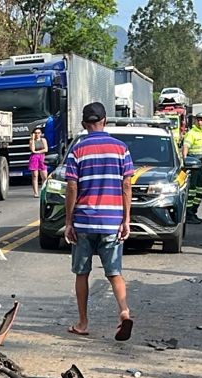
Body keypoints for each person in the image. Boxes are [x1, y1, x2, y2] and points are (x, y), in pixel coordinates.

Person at [62, 101, 135, 342]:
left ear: (84, 124)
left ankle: (83, 323)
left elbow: (72, 186)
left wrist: (69, 221)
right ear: (105, 122)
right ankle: (124, 311)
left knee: (81, 273)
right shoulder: (121, 149)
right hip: (112, 221)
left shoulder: (77, 150)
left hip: (83, 221)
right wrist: (126, 219)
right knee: (114, 273)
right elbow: (126, 184)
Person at [182, 116, 202, 223]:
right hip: (192, 165)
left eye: (201, 119)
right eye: (198, 119)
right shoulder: (192, 133)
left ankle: (193, 212)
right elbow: (185, 147)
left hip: (200, 165)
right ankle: (188, 214)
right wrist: (185, 162)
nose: (199, 121)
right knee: (192, 191)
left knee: (200, 191)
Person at [28, 127, 49, 197]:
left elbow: (46, 149)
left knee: (44, 176)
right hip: (34, 158)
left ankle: (44, 191)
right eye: (35, 133)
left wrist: (37, 151)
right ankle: (36, 193)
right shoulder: (31, 141)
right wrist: (33, 139)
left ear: (41, 134)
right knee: (35, 176)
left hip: (42, 158)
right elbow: (32, 149)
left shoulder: (43, 140)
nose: (37, 134)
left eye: (38, 133)